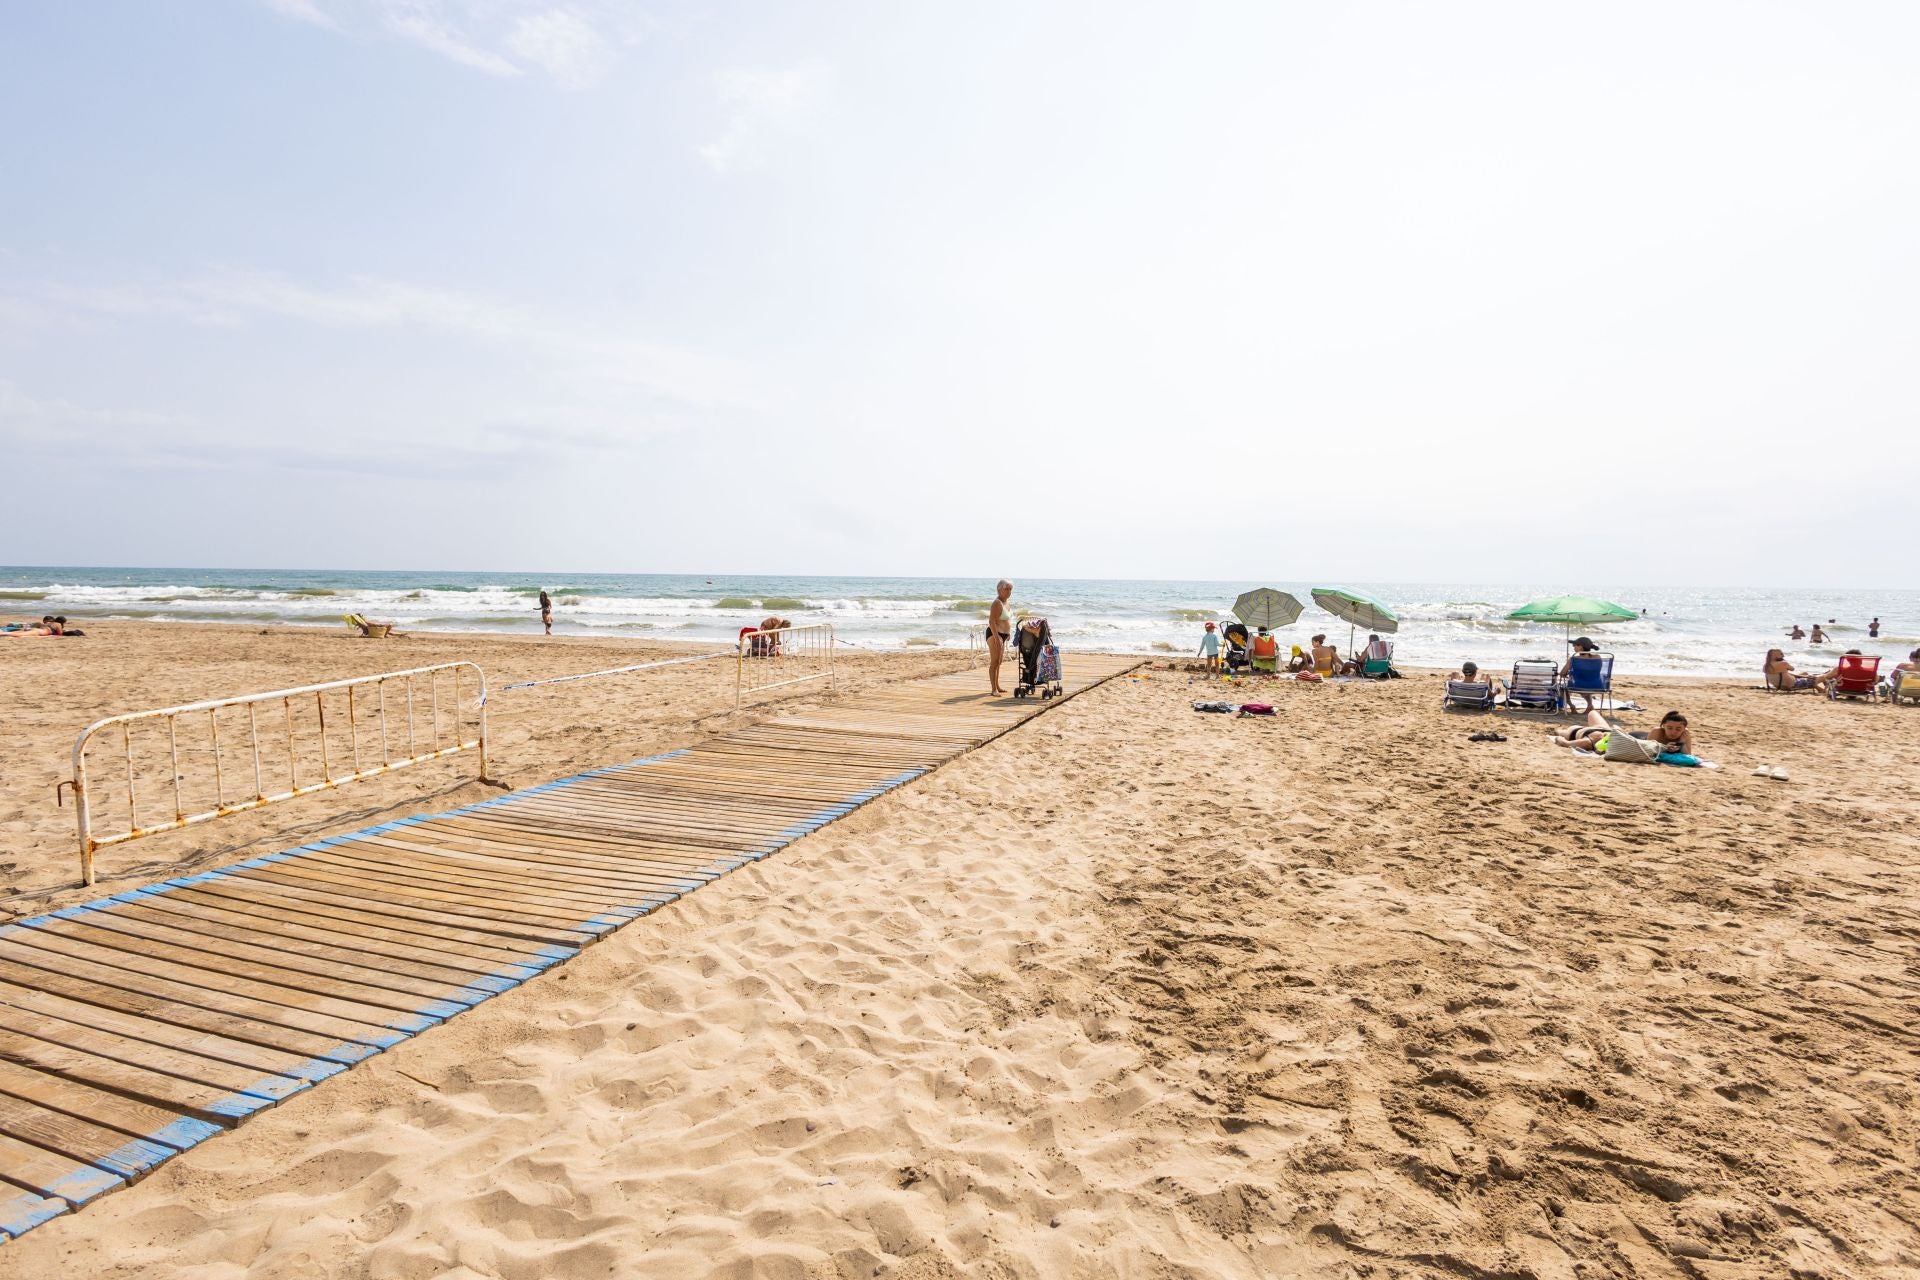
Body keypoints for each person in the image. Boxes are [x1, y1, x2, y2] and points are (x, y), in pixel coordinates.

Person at [987, 580, 1014, 696]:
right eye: (1006, 589)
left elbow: (1007, 620)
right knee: (994, 662)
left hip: (1003, 635)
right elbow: (991, 621)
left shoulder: (1007, 603)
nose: (1009, 592)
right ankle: (994, 689)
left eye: (1010, 589)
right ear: (999, 590)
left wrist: (1008, 633)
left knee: (999, 661)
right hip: (994, 634)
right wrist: (996, 636)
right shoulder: (997, 603)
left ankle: (997, 686)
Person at [1561, 637, 1601, 713]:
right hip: (1597, 685)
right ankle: (1590, 705)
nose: (1573, 646)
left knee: (1561, 688)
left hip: (1578, 685)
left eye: (1575, 645)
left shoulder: (1573, 659)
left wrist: (1567, 674)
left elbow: (1562, 673)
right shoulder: (1598, 657)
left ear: (1581, 647)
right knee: (1586, 681)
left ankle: (1572, 706)